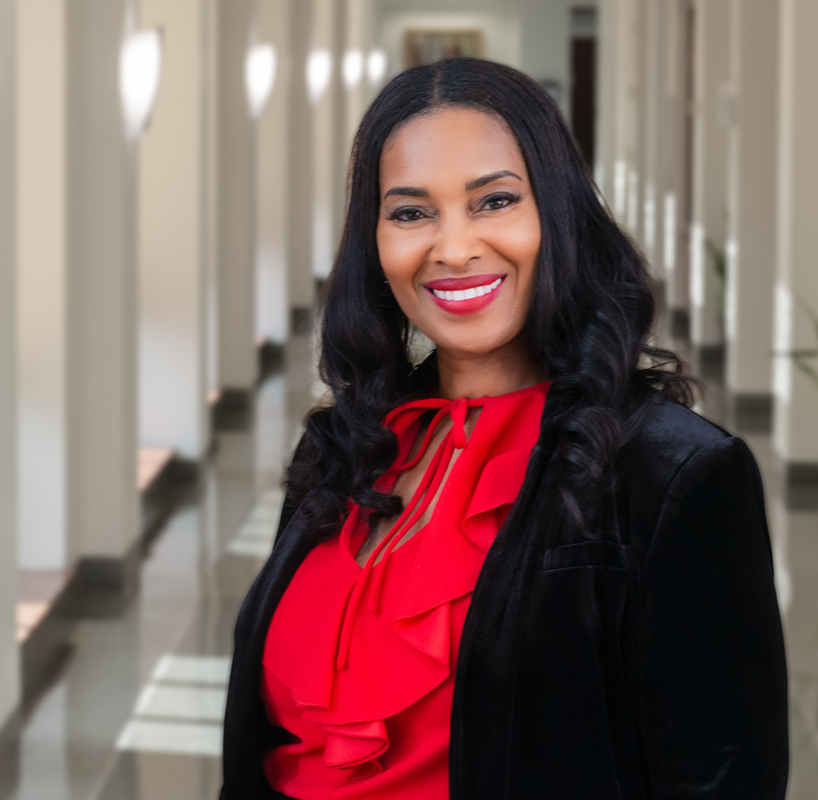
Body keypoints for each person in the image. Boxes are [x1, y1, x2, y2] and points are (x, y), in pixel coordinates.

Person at [221, 58, 788, 799]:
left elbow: (722, 777)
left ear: (556, 216)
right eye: (411, 211)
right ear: (374, 242)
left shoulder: (674, 473)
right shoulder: (346, 449)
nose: (452, 248)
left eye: (493, 201)